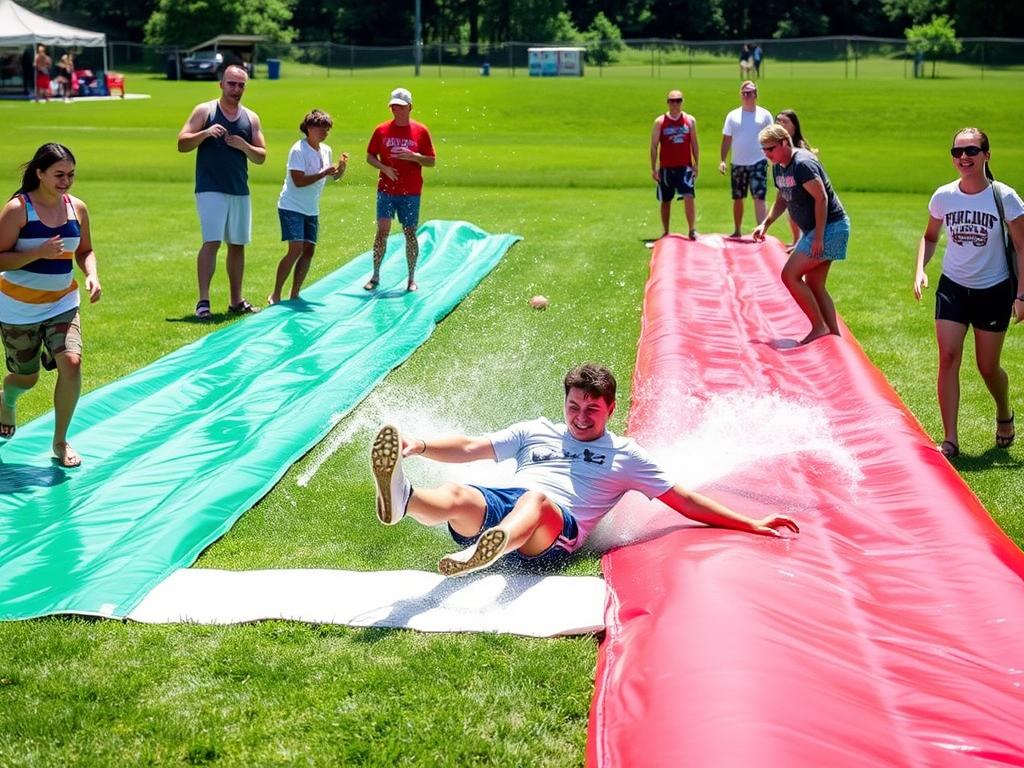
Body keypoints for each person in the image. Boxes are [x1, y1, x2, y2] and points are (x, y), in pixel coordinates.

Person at [369, 363, 799, 577]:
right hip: (509, 508)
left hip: (554, 534)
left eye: (592, 409)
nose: (580, 417)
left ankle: (485, 550)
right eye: (573, 406)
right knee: (458, 492)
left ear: (610, 408)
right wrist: (419, 445)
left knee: (536, 500)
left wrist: (751, 523)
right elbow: (469, 446)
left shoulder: (626, 455)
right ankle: (405, 500)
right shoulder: (535, 431)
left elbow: (683, 499)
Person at [913, 128, 1024, 459]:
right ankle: (950, 440)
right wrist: (920, 269)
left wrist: (1021, 295)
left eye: (972, 151)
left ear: (986, 155)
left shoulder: (1004, 197)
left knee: (988, 367)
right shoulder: (944, 196)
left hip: (993, 290)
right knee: (948, 356)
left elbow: (1022, 247)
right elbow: (929, 237)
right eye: (957, 151)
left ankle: (1004, 411)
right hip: (953, 287)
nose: (964, 157)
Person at [0, 144, 101, 467]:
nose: (66, 181)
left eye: (71, 175)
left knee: (71, 362)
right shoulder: (18, 210)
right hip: (17, 308)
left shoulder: (77, 208)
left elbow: (85, 250)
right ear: (40, 173)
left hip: (62, 303)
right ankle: (7, 400)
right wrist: (37, 253)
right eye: (59, 175)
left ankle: (60, 441)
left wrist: (92, 274)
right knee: (25, 378)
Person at [177, 64, 267, 320]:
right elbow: (182, 143)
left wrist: (243, 146)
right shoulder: (205, 111)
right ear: (221, 85)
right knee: (212, 241)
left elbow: (261, 156)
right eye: (231, 84)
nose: (236, 89)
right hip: (210, 187)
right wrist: (205, 133)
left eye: (241, 85)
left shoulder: (251, 118)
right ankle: (203, 301)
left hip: (239, 188)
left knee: (237, 244)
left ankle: (236, 301)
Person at [752, 123, 850, 345]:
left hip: (831, 228)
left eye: (770, 148)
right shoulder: (778, 166)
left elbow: (821, 198)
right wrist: (766, 223)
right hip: (819, 229)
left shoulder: (802, 164)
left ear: (784, 143)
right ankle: (835, 339)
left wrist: (819, 237)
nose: (767, 154)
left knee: (790, 275)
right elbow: (782, 198)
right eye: (763, 149)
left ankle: (819, 327)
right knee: (815, 284)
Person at [269, 109, 348, 305]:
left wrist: (341, 170)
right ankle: (275, 294)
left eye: (327, 129)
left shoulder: (326, 150)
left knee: (309, 250)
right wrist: (323, 173)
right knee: (295, 249)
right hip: (291, 206)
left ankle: (295, 293)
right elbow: (298, 181)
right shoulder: (299, 150)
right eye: (321, 128)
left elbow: (333, 176)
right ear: (309, 128)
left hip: (311, 208)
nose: (325, 132)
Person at [364, 87, 436, 293]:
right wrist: (384, 168)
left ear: (410, 107)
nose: (396, 110)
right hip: (386, 189)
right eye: (393, 106)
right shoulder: (381, 130)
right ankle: (375, 275)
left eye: (401, 107)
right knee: (382, 231)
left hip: (411, 191)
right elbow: (370, 156)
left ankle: (411, 278)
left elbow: (431, 161)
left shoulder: (421, 131)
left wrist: (414, 157)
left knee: (410, 232)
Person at [719, 81, 773, 237]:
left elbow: (772, 137)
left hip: (758, 161)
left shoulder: (765, 115)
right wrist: (722, 160)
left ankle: (761, 231)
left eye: (750, 92)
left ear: (756, 94)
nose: (746, 95)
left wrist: (773, 158)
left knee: (759, 197)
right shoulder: (732, 116)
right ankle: (737, 230)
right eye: (744, 93)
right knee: (738, 198)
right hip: (738, 163)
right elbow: (727, 139)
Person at [650, 89, 700, 240]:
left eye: (678, 100)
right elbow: (654, 146)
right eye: (672, 101)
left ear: (682, 102)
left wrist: (696, 164)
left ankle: (692, 230)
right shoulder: (660, 122)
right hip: (666, 167)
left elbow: (694, 144)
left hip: (685, 166)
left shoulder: (689, 121)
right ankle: (666, 231)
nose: (675, 104)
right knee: (666, 200)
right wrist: (654, 168)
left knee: (689, 196)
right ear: (668, 103)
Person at [775, 109, 818, 250]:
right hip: (788, 185)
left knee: (800, 213)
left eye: (784, 121)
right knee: (790, 213)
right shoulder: (778, 144)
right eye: (778, 121)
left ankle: (802, 241)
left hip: (803, 187)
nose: (780, 123)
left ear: (794, 125)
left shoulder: (799, 145)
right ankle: (796, 240)